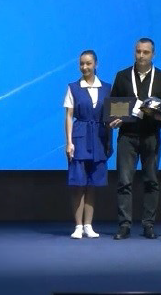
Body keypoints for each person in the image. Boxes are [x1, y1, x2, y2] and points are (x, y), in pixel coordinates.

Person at [107, 37, 161, 240]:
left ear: (153, 54)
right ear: (134, 52)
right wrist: (114, 119)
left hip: (151, 135)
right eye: (138, 51)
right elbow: (114, 105)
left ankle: (148, 225)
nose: (141, 55)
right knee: (124, 182)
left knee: (151, 181)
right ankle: (124, 225)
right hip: (127, 136)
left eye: (146, 52)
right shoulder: (122, 76)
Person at [64, 49, 112, 239]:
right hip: (80, 137)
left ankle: (88, 225)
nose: (84, 67)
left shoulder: (107, 88)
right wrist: (69, 142)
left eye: (88, 63)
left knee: (92, 184)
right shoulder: (73, 88)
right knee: (78, 184)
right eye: (82, 64)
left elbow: (110, 115)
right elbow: (68, 116)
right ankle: (78, 226)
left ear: (96, 64)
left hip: (99, 138)